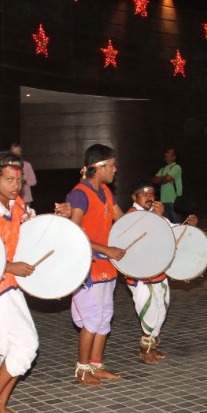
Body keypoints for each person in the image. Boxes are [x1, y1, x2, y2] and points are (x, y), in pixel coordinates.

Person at [0, 150, 68, 413]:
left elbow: (34, 232)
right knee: (25, 347)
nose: (16, 186)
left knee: (13, 351)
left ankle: (0, 405)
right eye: (9, 180)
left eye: (19, 180)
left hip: (11, 288)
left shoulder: (18, 208)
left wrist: (57, 216)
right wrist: (11, 267)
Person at [67, 144, 126, 385]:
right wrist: (106, 249)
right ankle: (82, 369)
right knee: (91, 319)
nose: (115, 169)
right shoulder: (79, 194)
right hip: (88, 267)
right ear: (99, 167)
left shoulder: (106, 192)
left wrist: (148, 222)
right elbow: (73, 232)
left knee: (104, 317)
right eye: (111, 165)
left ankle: (96, 364)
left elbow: (121, 219)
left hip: (106, 267)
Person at [124, 181, 198, 363]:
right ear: (134, 198)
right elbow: (140, 237)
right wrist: (157, 218)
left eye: (152, 195)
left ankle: (152, 345)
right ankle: (144, 349)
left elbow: (172, 231)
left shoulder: (155, 214)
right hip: (140, 274)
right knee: (148, 310)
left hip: (159, 271)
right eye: (145, 195)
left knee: (161, 310)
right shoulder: (130, 216)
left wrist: (188, 225)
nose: (150, 198)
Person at [152, 147, 183, 223]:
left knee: (176, 225)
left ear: (174, 157)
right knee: (167, 225)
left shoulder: (176, 167)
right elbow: (154, 180)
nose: (165, 154)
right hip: (163, 202)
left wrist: (162, 179)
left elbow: (166, 178)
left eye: (168, 153)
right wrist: (165, 178)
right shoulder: (163, 169)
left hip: (174, 201)